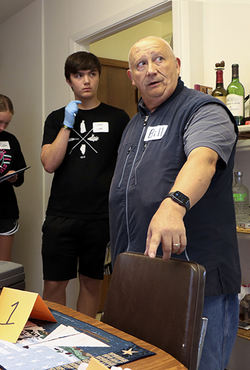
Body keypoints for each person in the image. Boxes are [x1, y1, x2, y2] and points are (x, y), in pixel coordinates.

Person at [109, 36, 241, 370]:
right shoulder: (133, 125)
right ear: (132, 77)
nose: (151, 70)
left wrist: (174, 204)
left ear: (177, 64)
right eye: (141, 64)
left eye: (160, 60)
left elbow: (204, 158)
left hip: (197, 287)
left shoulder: (204, 109)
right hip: (140, 280)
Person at [41, 51, 129, 318]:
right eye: (79, 75)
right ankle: (52, 342)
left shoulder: (118, 118)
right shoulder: (57, 118)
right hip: (61, 215)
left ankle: (85, 340)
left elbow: (126, 165)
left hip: (99, 217)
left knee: (92, 283)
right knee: (54, 283)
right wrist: (68, 125)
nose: (86, 81)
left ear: (99, 76)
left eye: (92, 74)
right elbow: (49, 164)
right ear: (69, 80)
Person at [0, 94, 27, 261]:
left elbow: (20, 174)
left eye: (7, 123)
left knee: (4, 267)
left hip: (5, 211)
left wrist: (14, 177)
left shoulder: (11, 141)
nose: (2, 127)